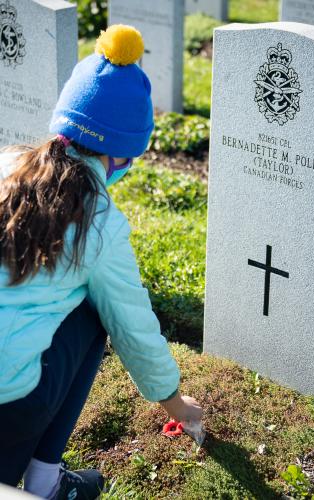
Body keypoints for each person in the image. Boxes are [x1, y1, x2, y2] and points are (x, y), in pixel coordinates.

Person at [0, 25, 203, 499]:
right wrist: (175, 402)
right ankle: (46, 479)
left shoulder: (6, 166)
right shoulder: (100, 222)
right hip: (10, 401)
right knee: (96, 310)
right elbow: (132, 325)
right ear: (122, 154)